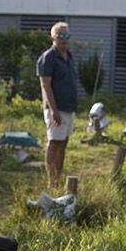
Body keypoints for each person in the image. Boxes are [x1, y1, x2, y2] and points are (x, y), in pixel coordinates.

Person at [36, 21, 81, 190]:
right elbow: (45, 86)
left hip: (69, 107)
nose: (64, 39)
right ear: (53, 37)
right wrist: (54, 110)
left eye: (66, 36)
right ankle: (51, 181)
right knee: (54, 142)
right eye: (60, 36)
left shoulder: (69, 56)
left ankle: (58, 177)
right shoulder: (48, 57)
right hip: (56, 108)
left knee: (64, 142)